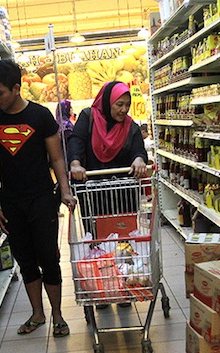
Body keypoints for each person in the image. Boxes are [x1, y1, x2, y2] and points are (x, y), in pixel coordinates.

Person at [0, 59, 76, 338]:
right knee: (25, 260)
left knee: (48, 257)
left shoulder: (40, 116)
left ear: (16, 88)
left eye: (0, 93)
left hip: (42, 198)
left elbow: (56, 158)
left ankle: (58, 315)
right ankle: (37, 314)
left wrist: (65, 190)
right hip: (11, 201)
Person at [68, 81, 148, 309]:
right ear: (107, 102)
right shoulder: (89, 118)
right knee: (97, 241)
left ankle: (123, 286)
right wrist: (75, 164)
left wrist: (139, 160)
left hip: (123, 193)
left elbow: (138, 150)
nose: (124, 109)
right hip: (93, 193)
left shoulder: (130, 127)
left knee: (124, 241)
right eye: (119, 104)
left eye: (127, 105)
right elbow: (76, 141)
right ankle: (100, 285)